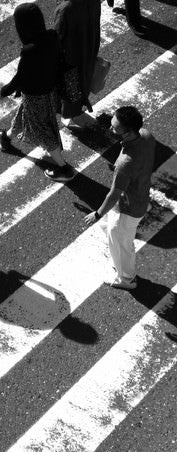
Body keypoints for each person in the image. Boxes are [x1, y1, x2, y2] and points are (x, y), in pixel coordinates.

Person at [0, 3, 76, 182]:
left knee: (43, 130)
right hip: (49, 90)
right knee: (26, 115)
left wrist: (3, 92)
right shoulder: (51, 36)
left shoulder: (29, 50)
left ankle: (64, 168)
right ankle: (8, 137)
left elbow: (20, 77)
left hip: (35, 95)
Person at [83, 106, 155, 290]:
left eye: (115, 128)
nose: (110, 129)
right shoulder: (146, 136)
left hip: (128, 208)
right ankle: (120, 262)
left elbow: (114, 193)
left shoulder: (125, 164)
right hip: (140, 195)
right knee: (110, 230)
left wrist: (97, 213)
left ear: (129, 132)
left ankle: (126, 279)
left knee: (122, 243)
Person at [54, 0, 102, 129]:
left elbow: (58, 38)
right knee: (83, 83)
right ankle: (74, 111)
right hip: (88, 49)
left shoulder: (65, 9)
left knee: (69, 90)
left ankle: (70, 114)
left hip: (70, 58)